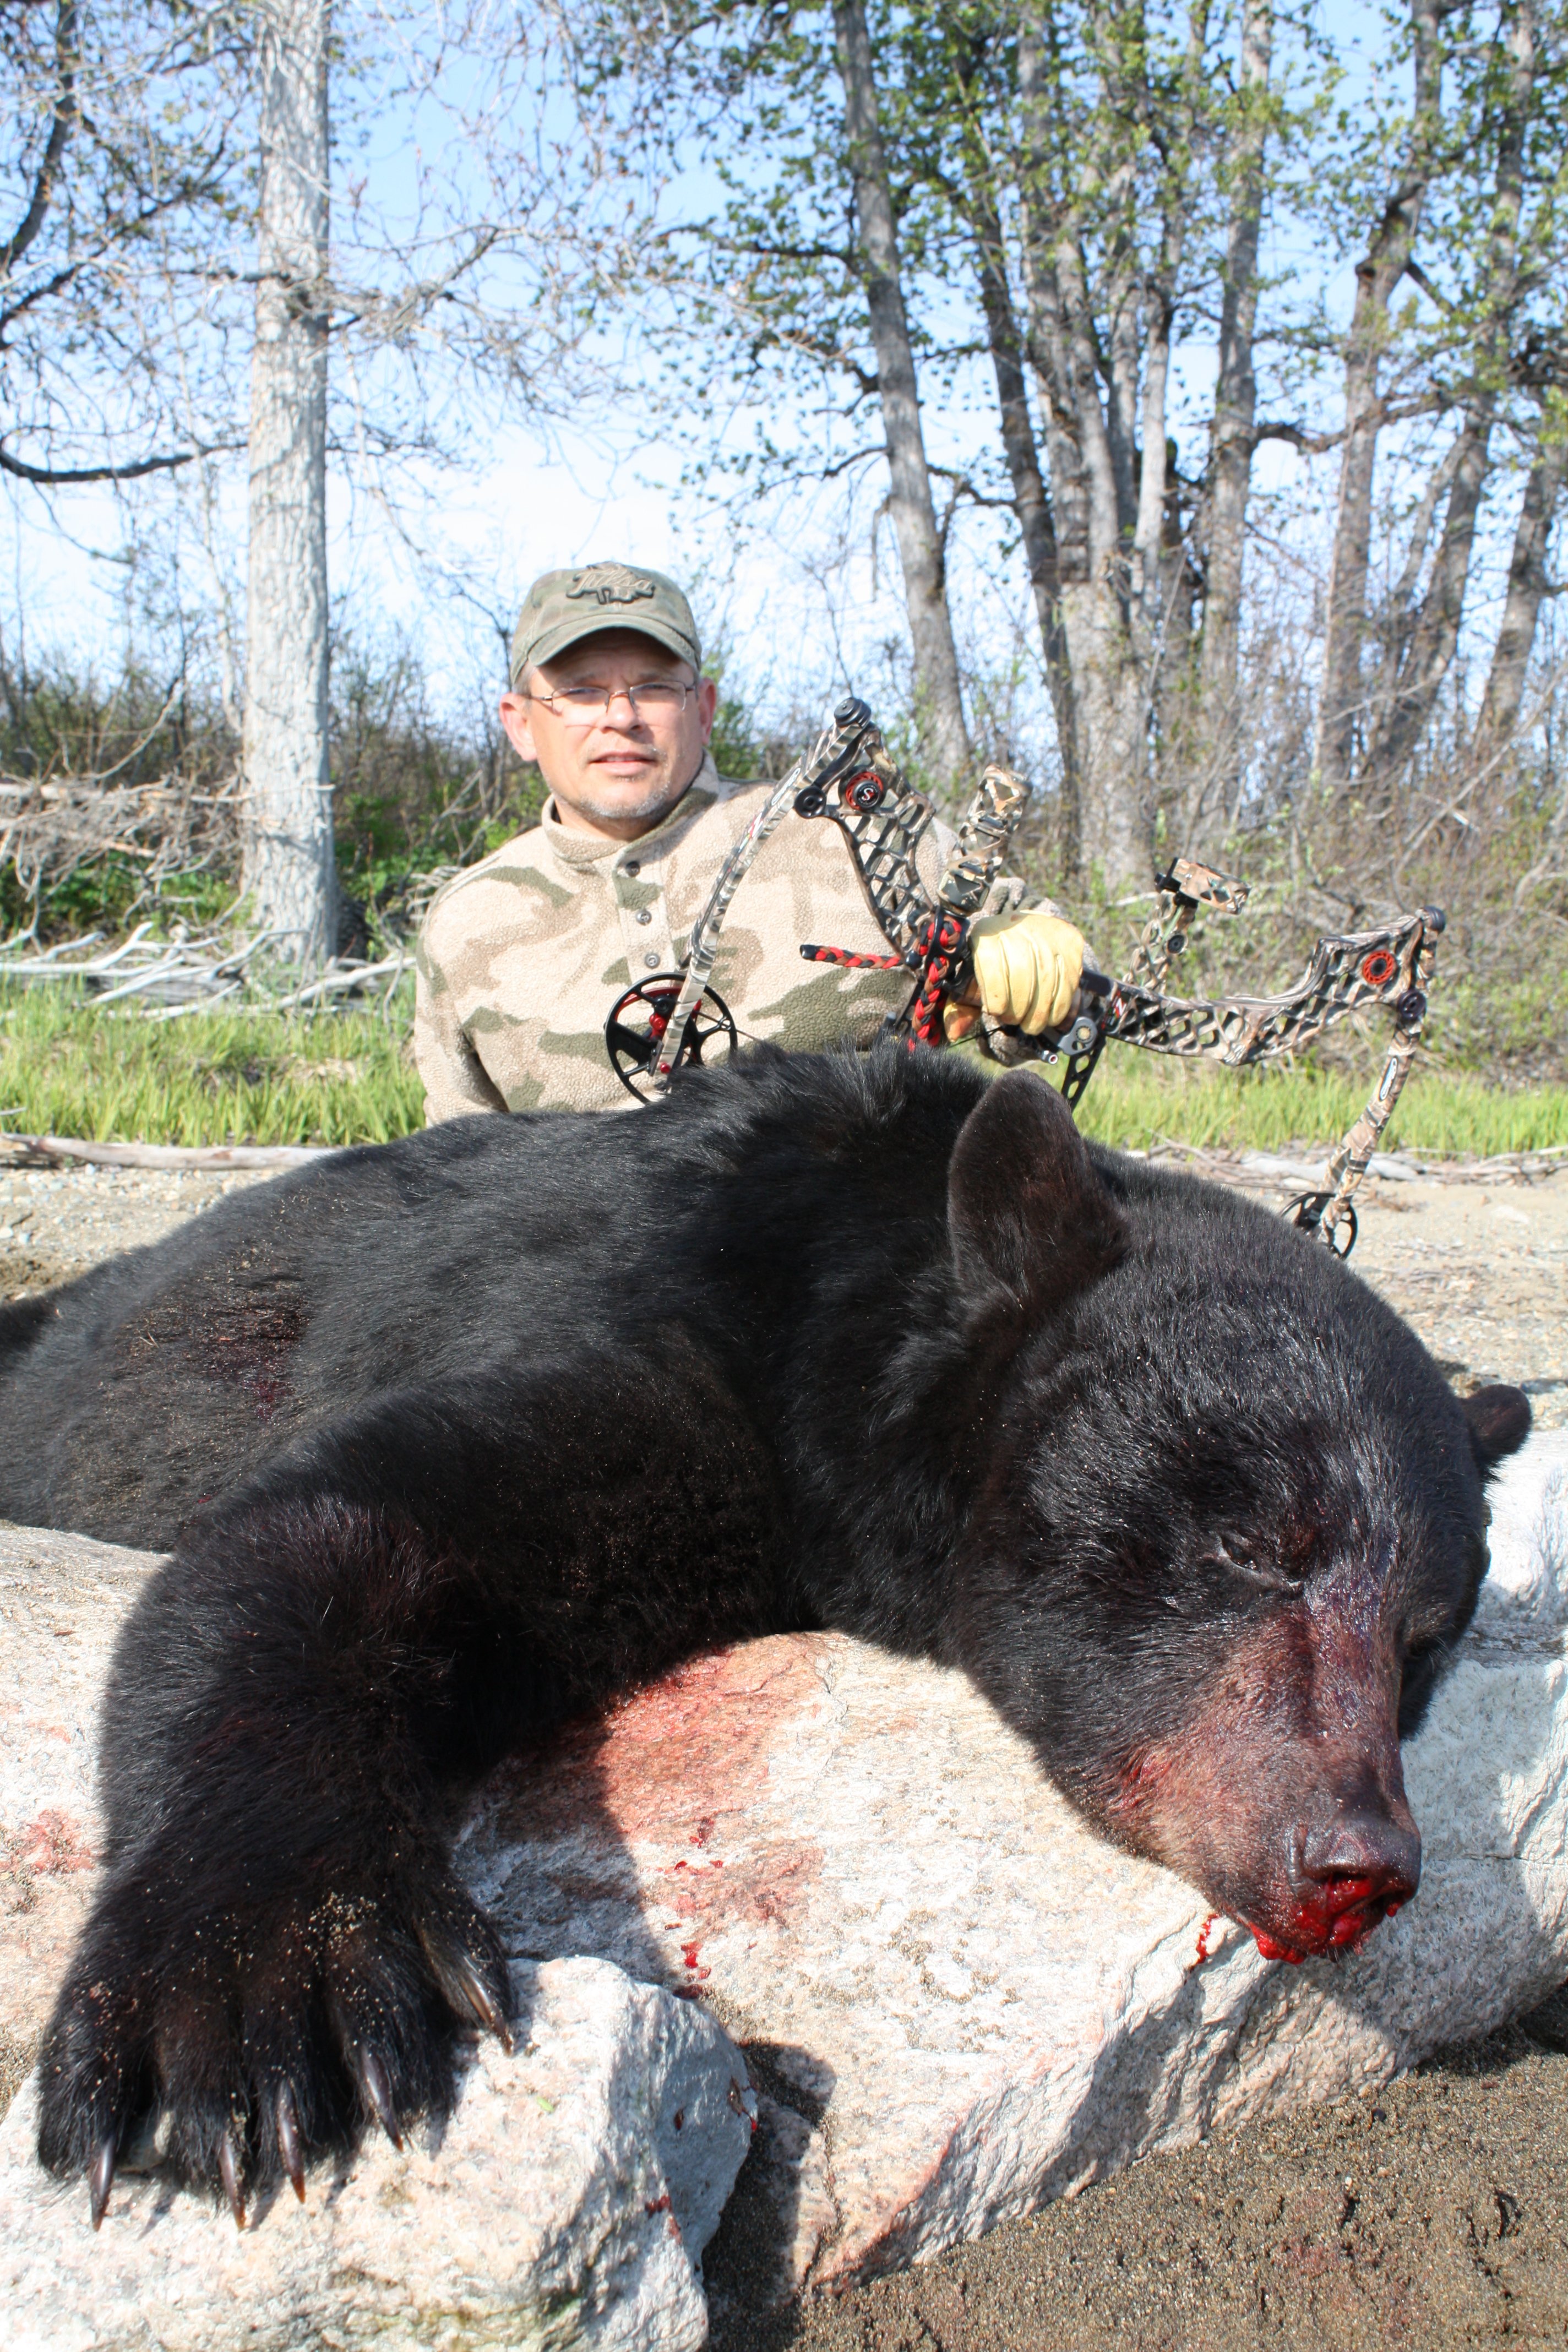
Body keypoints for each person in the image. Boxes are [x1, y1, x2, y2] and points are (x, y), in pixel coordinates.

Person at [414, 560, 1088, 1118]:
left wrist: (1033, 955)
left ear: (703, 708)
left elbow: (1070, 991)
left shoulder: (842, 833)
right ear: (520, 723)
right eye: (582, 692)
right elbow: (455, 1176)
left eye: (654, 687)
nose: (621, 717)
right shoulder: (467, 924)